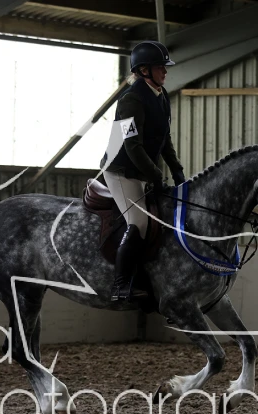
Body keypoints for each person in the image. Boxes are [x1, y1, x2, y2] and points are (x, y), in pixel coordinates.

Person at [101, 40, 186, 301]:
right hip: (121, 170)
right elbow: (132, 145)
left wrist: (177, 170)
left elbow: (165, 139)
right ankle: (120, 285)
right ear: (144, 70)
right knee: (138, 222)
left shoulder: (161, 96)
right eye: (160, 67)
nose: (165, 71)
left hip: (141, 170)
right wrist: (156, 174)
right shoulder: (130, 99)